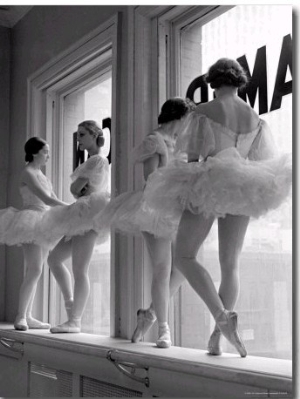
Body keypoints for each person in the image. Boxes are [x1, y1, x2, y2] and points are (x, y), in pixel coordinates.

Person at [144, 58, 292, 357]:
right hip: (244, 184)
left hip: (209, 181)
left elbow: (195, 156)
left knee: (184, 256)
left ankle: (222, 319)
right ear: (239, 81)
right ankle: (217, 339)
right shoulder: (255, 118)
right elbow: (259, 159)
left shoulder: (203, 112)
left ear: (213, 82)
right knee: (230, 264)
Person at [94, 98, 192, 348]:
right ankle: (163, 329)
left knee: (183, 268)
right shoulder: (155, 140)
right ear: (180, 117)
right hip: (154, 208)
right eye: (187, 120)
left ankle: (148, 315)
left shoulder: (177, 142)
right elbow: (151, 180)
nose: (188, 125)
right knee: (162, 268)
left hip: (176, 208)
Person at [0, 137, 68, 331]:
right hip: (31, 221)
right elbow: (45, 198)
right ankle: (20, 316)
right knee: (34, 269)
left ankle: (27, 316)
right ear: (36, 152)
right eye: (46, 151)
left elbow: (53, 198)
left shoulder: (42, 175)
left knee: (37, 270)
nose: (48, 155)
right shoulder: (28, 172)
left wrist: (69, 208)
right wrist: (72, 207)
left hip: (45, 221)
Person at [48, 120, 110, 334]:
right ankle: (70, 303)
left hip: (88, 215)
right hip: (80, 214)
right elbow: (76, 189)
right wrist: (78, 190)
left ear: (94, 135)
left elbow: (76, 188)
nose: (79, 139)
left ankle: (75, 320)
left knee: (79, 269)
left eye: (82, 135)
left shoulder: (98, 160)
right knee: (53, 259)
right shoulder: (92, 161)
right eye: (78, 135)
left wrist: (78, 189)